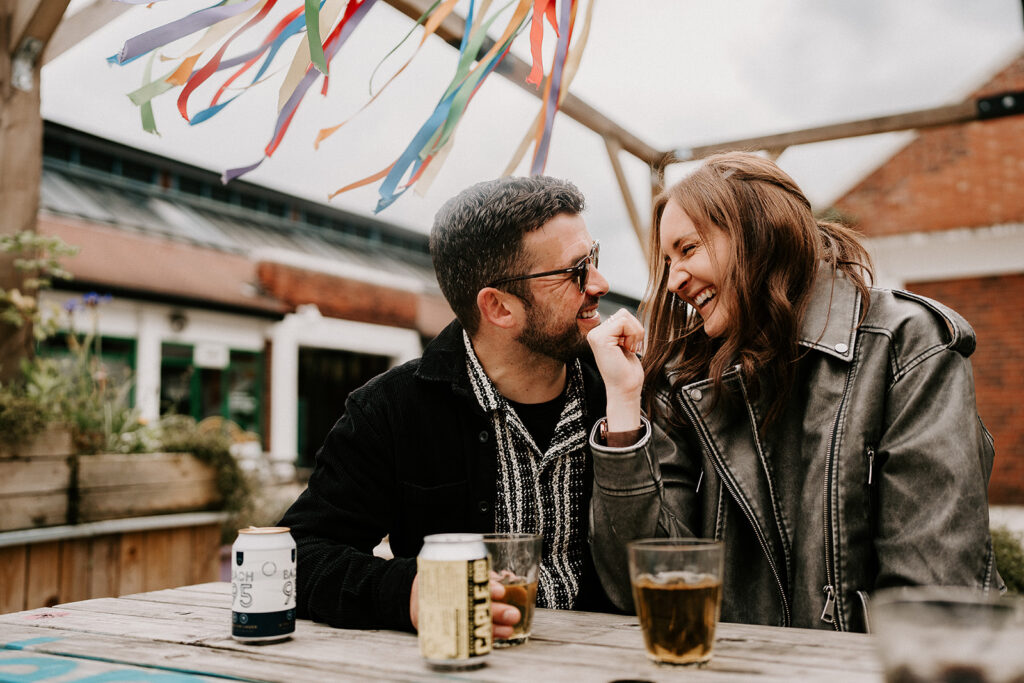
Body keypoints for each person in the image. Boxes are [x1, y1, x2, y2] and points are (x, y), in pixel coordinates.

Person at [585, 151, 1002, 632]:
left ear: (757, 233)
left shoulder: (908, 343)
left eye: (688, 248)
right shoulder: (684, 377)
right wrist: (622, 404)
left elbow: (935, 596)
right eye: (667, 259)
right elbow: (641, 585)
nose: (673, 278)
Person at [279, 175, 617, 635]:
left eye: (592, 257)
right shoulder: (391, 410)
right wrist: (411, 593)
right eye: (576, 271)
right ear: (498, 307)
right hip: (463, 667)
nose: (600, 282)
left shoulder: (620, 390)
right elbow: (299, 555)